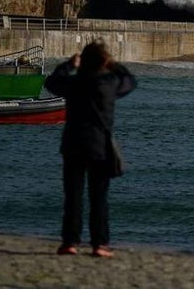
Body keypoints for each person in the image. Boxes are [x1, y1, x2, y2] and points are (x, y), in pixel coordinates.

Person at [44, 40, 137, 257]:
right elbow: (130, 81)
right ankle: (99, 244)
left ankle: (70, 242)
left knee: (73, 196)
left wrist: (68, 65)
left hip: (73, 143)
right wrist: (114, 65)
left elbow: (51, 82)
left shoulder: (74, 83)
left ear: (83, 61)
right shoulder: (109, 83)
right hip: (100, 146)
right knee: (99, 197)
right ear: (104, 61)